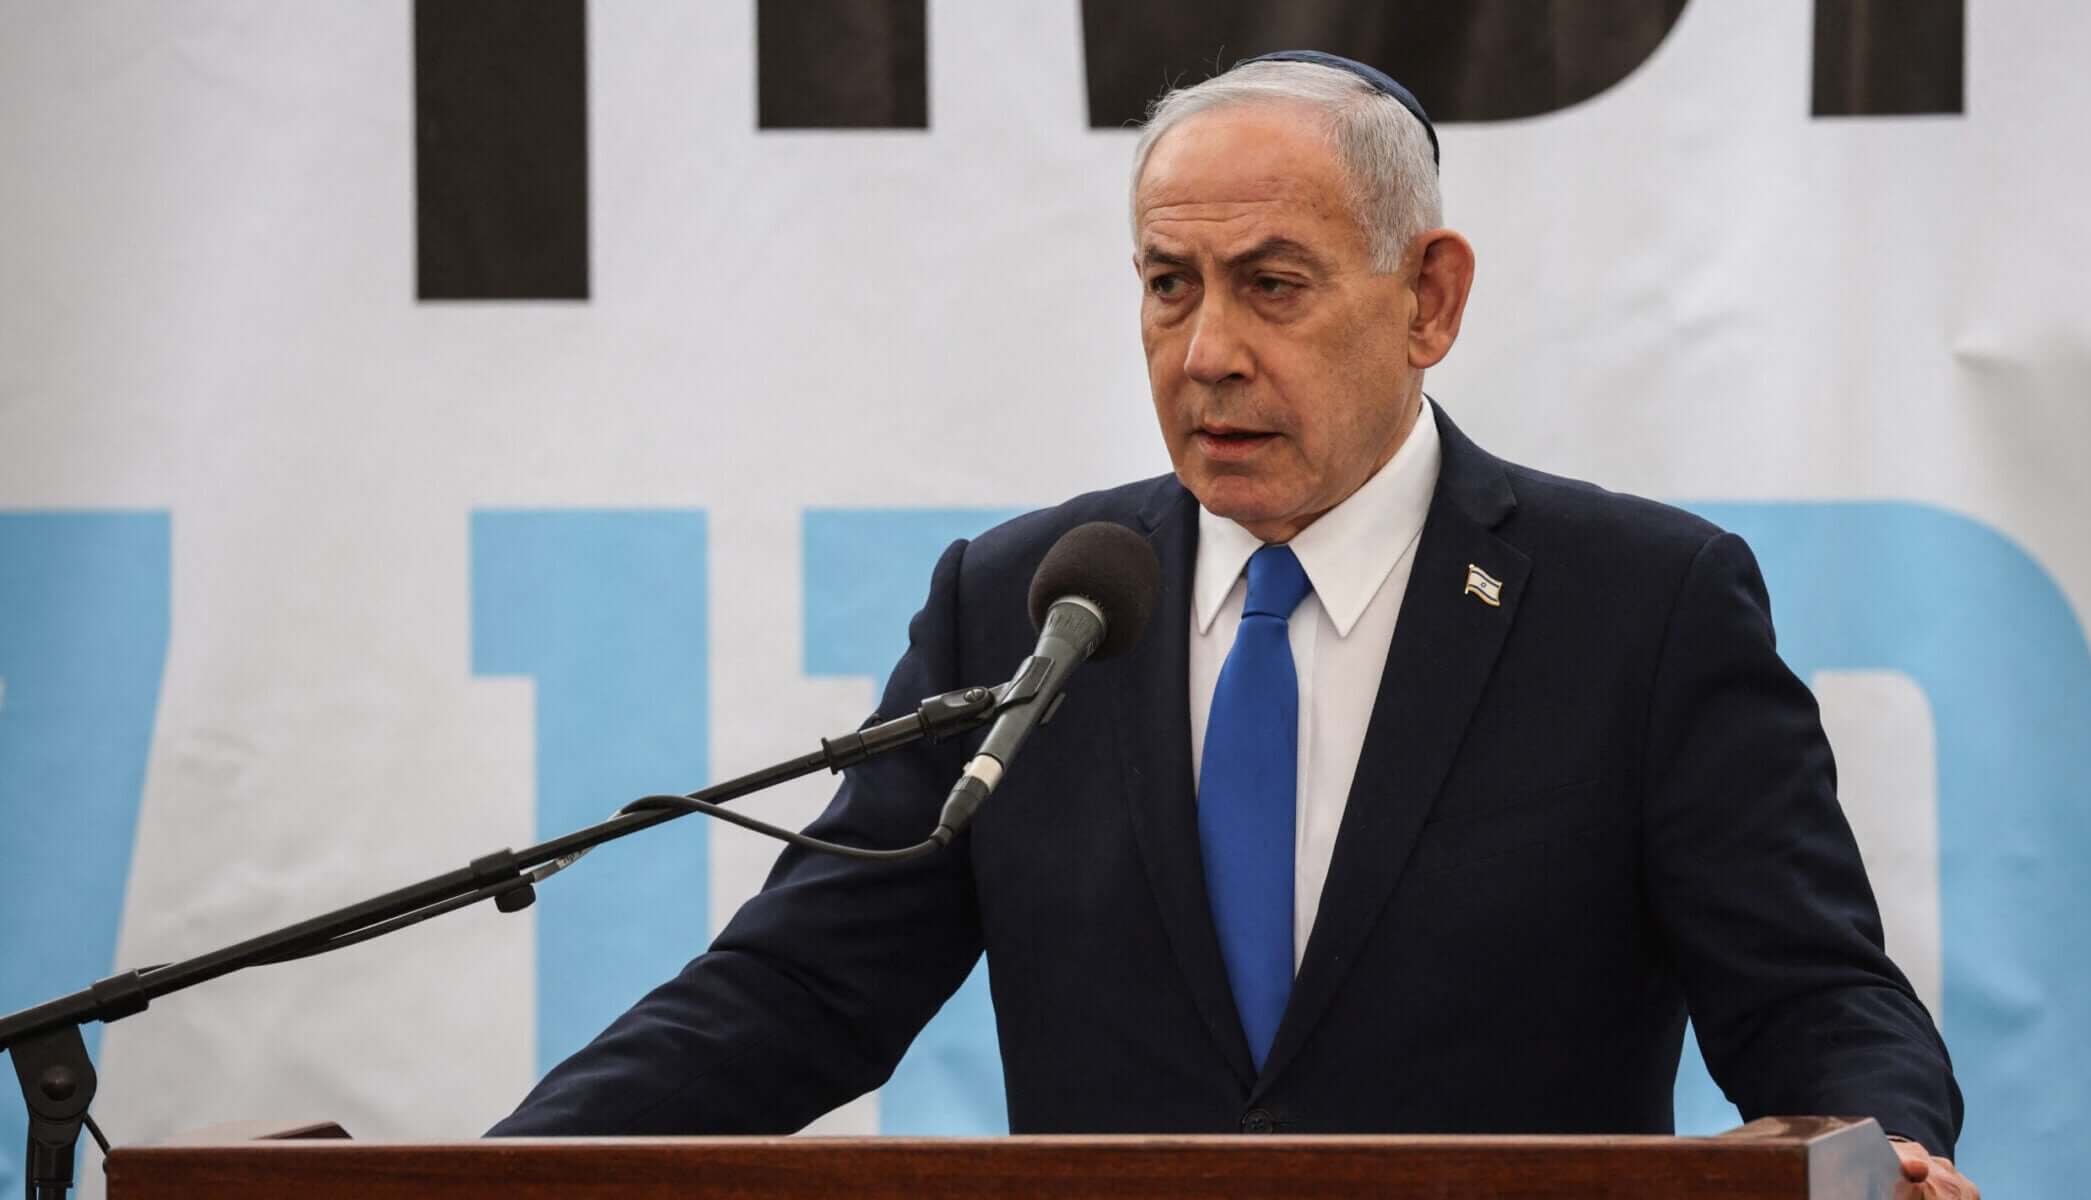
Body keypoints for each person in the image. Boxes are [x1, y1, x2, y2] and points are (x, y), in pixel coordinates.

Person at [493, 52, 1976, 1198]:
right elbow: (799, 990)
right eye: (1167, 285)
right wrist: (495, 1174)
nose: (1207, 352)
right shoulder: (1029, 610)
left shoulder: (1639, 607)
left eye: (1273, 285)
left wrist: (1886, 1148)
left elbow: (1811, 995)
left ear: (1429, 300)